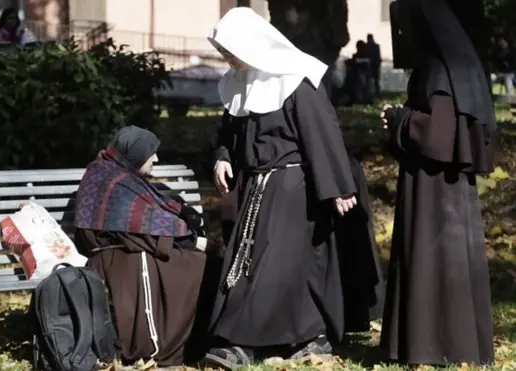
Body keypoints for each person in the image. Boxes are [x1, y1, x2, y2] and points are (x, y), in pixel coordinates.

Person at [203, 7, 384, 369]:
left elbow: (322, 133)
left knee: (279, 266)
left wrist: (337, 188)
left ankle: (251, 340)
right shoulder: (243, 83)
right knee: (257, 263)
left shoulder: (295, 80)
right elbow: (230, 133)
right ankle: (282, 337)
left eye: (230, 51)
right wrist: (223, 157)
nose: (227, 59)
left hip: (293, 189)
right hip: (256, 188)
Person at [380, 0, 496, 366]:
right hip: (449, 188)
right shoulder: (455, 69)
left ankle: (427, 345)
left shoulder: (436, 71)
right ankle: (455, 345)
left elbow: (437, 134)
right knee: (452, 263)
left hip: (433, 187)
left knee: (431, 259)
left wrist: (399, 118)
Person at [73, 126, 209, 367]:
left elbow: (146, 221)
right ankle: (170, 345)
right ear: (136, 153)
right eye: (151, 152)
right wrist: (192, 240)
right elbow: (137, 226)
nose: (156, 158)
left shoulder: (116, 174)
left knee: (202, 262)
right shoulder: (113, 180)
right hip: (119, 259)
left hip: (134, 250)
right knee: (197, 265)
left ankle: (195, 341)